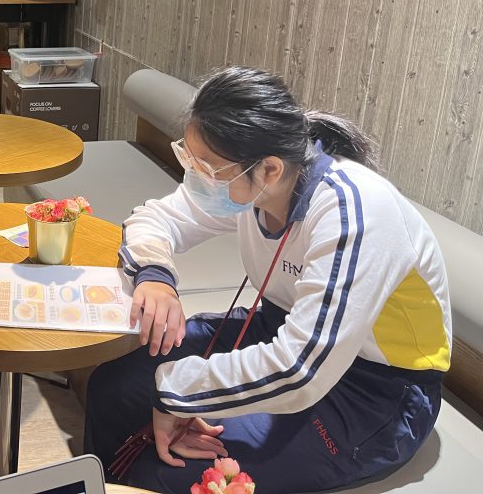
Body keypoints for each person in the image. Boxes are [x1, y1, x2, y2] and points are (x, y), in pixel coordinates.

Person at [84, 66, 451, 494]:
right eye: (190, 159)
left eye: (208, 168)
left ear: (270, 170)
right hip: (281, 329)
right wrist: (155, 276)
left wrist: (174, 391)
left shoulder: (355, 212)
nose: (197, 177)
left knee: (168, 473)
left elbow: (299, 369)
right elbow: (154, 218)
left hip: (374, 393)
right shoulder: (250, 185)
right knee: (112, 388)